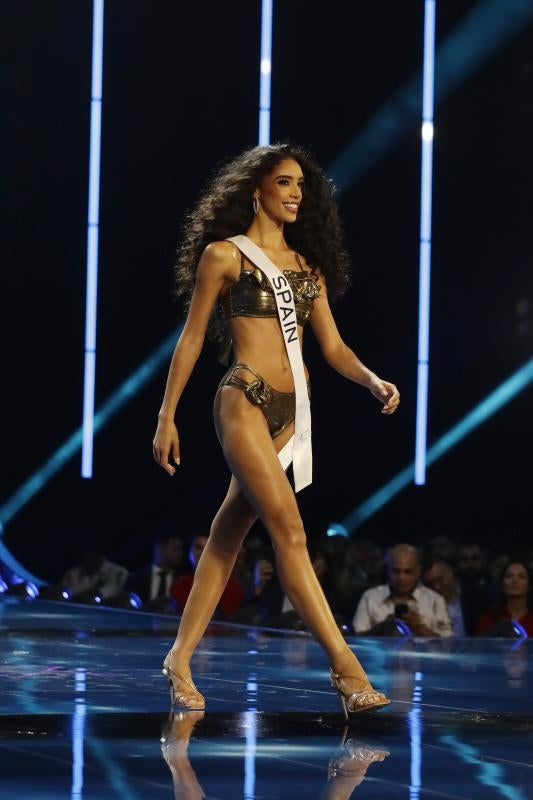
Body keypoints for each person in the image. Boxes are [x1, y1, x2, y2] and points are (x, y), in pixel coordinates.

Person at [152, 143, 400, 717]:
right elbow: (190, 341)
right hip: (244, 401)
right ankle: (346, 669)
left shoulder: (306, 268)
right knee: (289, 528)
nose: (296, 194)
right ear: (256, 189)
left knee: (228, 533)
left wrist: (371, 380)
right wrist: (166, 415)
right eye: (284, 183)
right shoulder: (225, 256)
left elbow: (333, 348)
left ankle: (178, 659)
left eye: (301, 186)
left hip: (294, 413)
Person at [353, 544, 452, 637]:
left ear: (418, 571)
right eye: (396, 571)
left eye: (408, 572)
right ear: (388, 570)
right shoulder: (370, 597)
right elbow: (355, 641)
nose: (401, 577)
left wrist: (421, 630)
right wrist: (380, 629)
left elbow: (450, 645)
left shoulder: (435, 600)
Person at [422, 557, 486, 636]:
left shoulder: (476, 596)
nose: (436, 587)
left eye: (440, 579)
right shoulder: (424, 606)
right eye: (430, 584)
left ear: (450, 571)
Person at [124, 529, 185, 610]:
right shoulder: (135, 579)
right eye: (176, 549)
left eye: (181, 550)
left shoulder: (184, 580)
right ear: (161, 548)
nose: (181, 554)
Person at [476, 561, 533, 636]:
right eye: (509, 576)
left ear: (529, 586)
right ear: (502, 584)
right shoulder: (488, 619)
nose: (515, 580)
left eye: (521, 577)